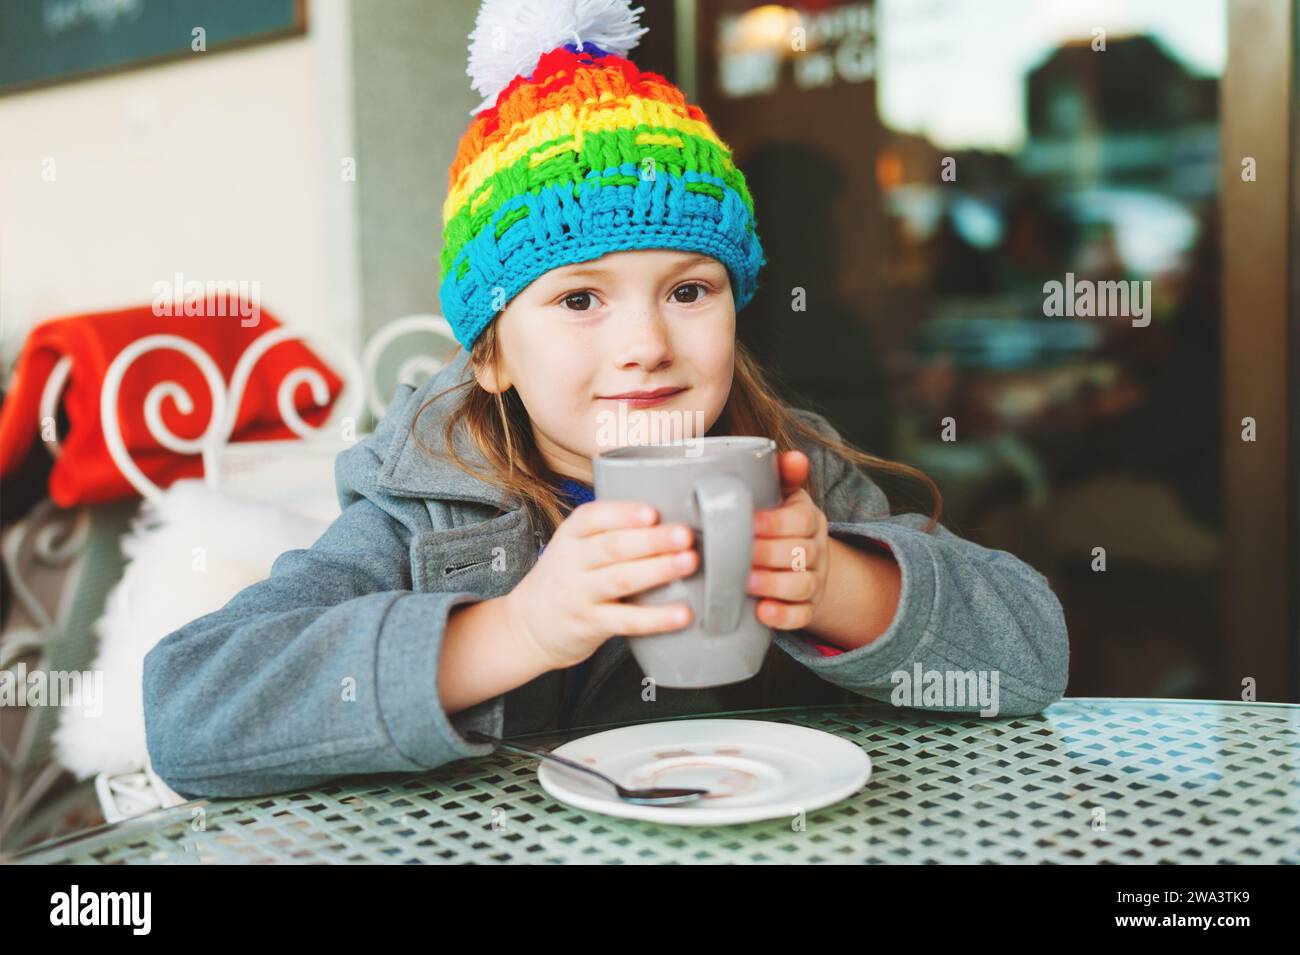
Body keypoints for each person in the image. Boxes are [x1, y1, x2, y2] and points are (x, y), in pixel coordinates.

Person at [143, 0, 1069, 799]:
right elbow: (188, 710)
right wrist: (514, 630)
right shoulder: (422, 510)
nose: (645, 346)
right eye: (580, 299)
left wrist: (843, 586)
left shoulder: (797, 479)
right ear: (493, 356)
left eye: (689, 290)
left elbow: (1033, 657)